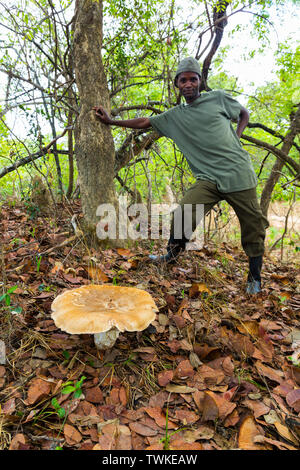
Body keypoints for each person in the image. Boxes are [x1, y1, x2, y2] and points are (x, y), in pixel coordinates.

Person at [93, 57, 269, 294]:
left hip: (238, 174)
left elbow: (243, 113)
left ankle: (254, 278)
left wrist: (236, 136)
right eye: (183, 80)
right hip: (208, 179)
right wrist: (112, 120)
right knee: (183, 215)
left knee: (253, 226)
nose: (188, 84)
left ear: (200, 81)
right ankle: (171, 256)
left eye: (193, 79)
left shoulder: (217, 98)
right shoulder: (174, 116)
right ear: (177, 84)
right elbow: (145, 121)